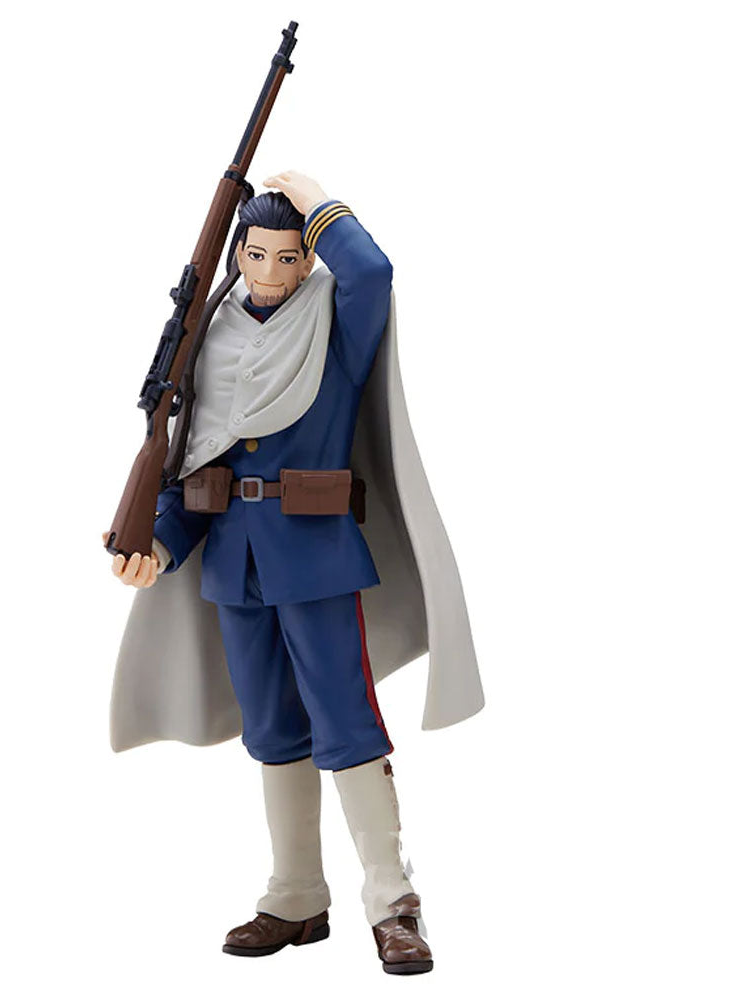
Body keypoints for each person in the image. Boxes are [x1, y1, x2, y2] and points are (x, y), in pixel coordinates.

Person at [107, 170, 483, 976]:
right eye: (256, 254)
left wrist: (318, 204)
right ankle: (295, 895)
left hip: (315, 556)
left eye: (289, 257)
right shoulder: (207, 341)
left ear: (308, 259)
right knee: (272, 730)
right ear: (237, 255)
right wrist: (159, 546)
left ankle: (392, 901)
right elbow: (191, 469)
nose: (271, 272)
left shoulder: (332, 323)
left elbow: (373, 271)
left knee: (346, 722)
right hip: (234, 564)